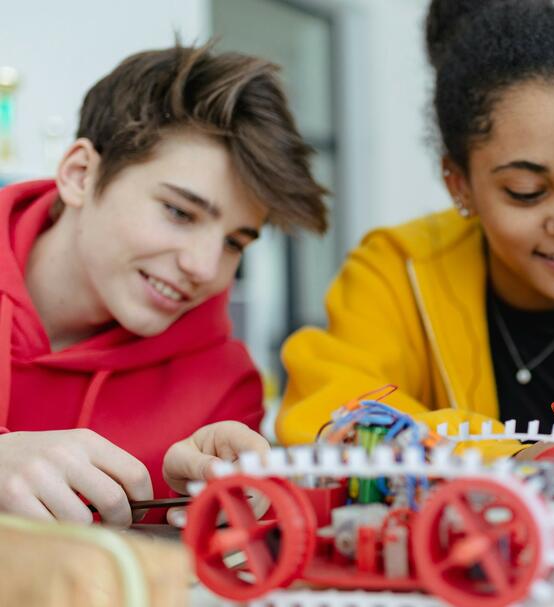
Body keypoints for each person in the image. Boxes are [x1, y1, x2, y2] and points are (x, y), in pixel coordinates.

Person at [279, 0, 554, 536]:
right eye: (525, 192)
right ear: (459, 183)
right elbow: (330, 414)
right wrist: (516, 458)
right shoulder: (395, 273)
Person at [0, 43, 328, 526]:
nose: (204, 267)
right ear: (80, 174)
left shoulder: (224, 390)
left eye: (235, 242)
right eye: (179, 212)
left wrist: (225, 521)